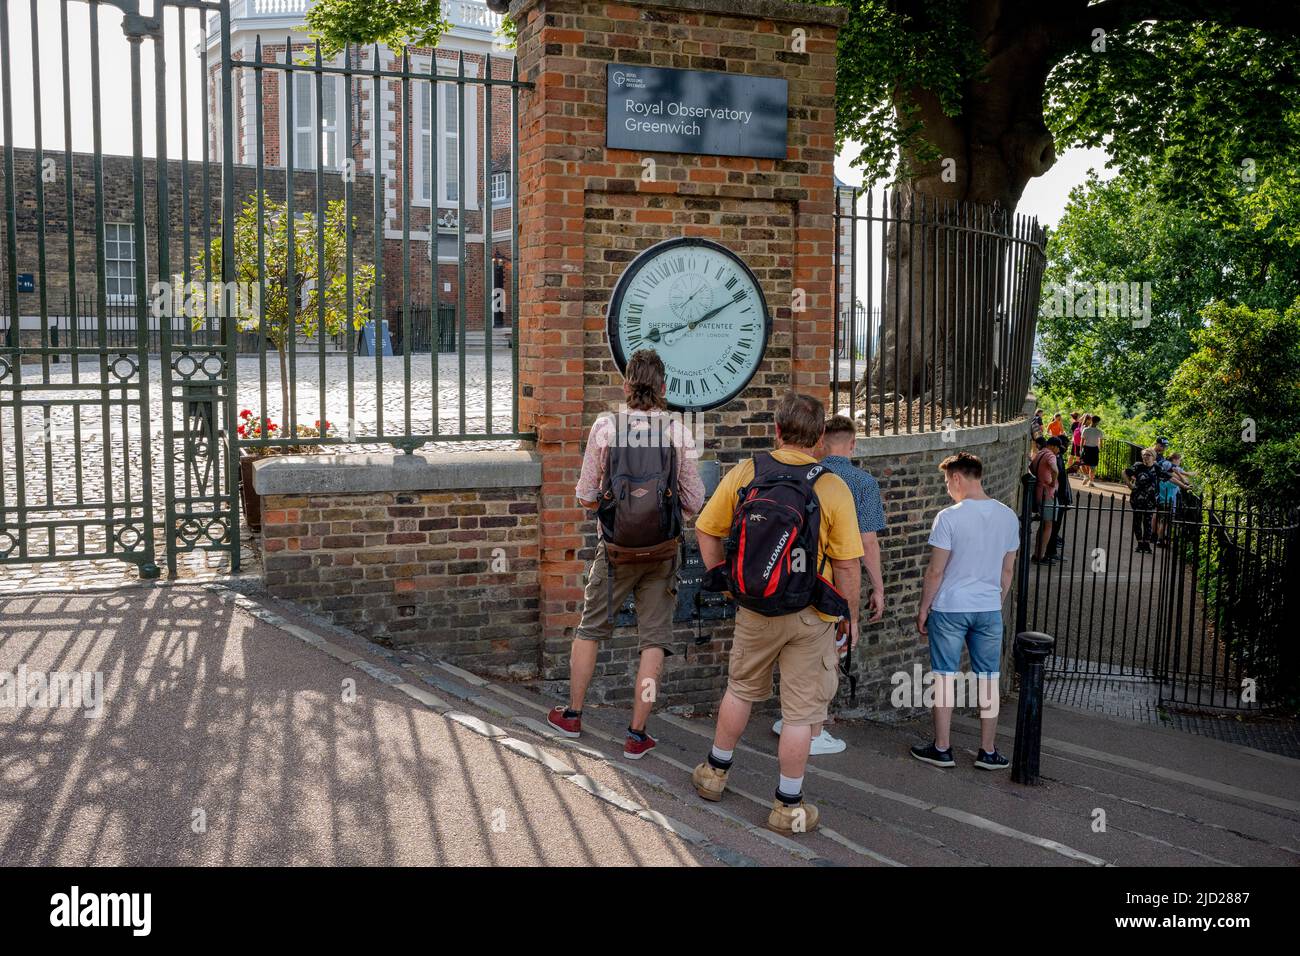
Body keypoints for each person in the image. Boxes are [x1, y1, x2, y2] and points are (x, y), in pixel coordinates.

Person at [691, 392, 863, 834]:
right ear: (821, 438)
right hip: (811, 615)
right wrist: (849, 617)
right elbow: (846, 565)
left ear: (777, 430)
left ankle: (714, 773)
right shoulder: (832, 487)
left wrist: (725, 580)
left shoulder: (748, 472)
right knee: (802, 713)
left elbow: (706, 529)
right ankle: (787, 806)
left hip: (755, 606)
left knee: (741, 689)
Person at [548, 349, 705, 758]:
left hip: (615, 551)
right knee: (654, 641)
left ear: (626, 386)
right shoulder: (678, 432)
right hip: (662, 552)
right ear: (664, 388)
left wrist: (616, 506)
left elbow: (585, 495)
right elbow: (694, 499)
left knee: (590, 628)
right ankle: (637, 734)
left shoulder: (605, 427)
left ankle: (573, 713)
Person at [770, 414, 887, 755]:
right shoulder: (862, 483)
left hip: (792, 579)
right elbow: (868, 543)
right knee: (827, 658)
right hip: (834, 586)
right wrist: (877, 588)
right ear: (853, 444)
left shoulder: (805, 475)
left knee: (794, 653)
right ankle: (814, 731)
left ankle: (790, 719)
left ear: (822, 441)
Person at [911, 452, 1020, 771]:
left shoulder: (949, 517)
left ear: (958, 478)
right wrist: (995, 603)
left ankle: (943, 748)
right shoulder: (1008, 516)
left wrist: (923, 608)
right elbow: (1008, 571)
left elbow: (935, 571)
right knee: (988, 679)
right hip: (987, 608)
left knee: (944, 677)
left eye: (947, 482)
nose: (947, 488)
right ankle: (987, 751)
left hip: (950, 607)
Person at [1124, 447, 1161, 554]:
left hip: (1151, 499)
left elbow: (1170, 477)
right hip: (1137, 498)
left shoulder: (1157, 468)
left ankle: (1147, 544)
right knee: (1137, 520)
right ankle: (1140, 544)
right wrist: (1129, 485)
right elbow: (1124, 472)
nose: (1145, 457)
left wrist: (1184, 485)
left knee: (1148, 522)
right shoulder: (1138, 466)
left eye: (1148, 455)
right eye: (1144, 455)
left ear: (1153, 457)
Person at [1030, 436, 1060, 563]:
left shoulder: (1040, 453)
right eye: (1058, 448)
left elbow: (1031, 468)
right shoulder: (1050, 455)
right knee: (1048, 525)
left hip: (1039, 491)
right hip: (1048, 494)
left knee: (1043, 525)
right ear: (1053, 446)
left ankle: (1037, 553)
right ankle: (1040, 556)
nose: (1058, 451)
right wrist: (1053, 482)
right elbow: (1054, 469)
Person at [1154, 451, 1192, 546]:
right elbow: (1185, 481)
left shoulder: (1161, 478)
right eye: (1179, 460)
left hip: (1160, 499)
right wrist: (1180, 476)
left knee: (1160, 519)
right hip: (1168, 500)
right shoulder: (1171, 479)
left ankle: (1155, 536)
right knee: (1165, 521)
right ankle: (1160, 539)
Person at [1046, 435, 1072, 561]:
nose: (1065, 448)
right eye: (1064, 445)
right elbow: (1058, 474)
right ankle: (1050, 551)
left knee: (1054, 525)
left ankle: (1051, 550)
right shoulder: (1055, 457)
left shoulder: (1057, 456)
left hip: (1058, 494)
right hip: (1057, 494)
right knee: (1054, 525)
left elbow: (1061, 473)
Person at [1080, 414, 1103, 486]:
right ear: (1097, 422)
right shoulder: (1099, 431)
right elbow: (1101, 443)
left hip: (1086, 448)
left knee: (1082, 464)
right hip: (1094, 449)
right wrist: (1099, 449)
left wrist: (1080, 449)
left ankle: (1086, 476)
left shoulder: (1085, 430)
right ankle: (1091, 482)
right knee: (1093, 466)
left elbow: (1082, 441)